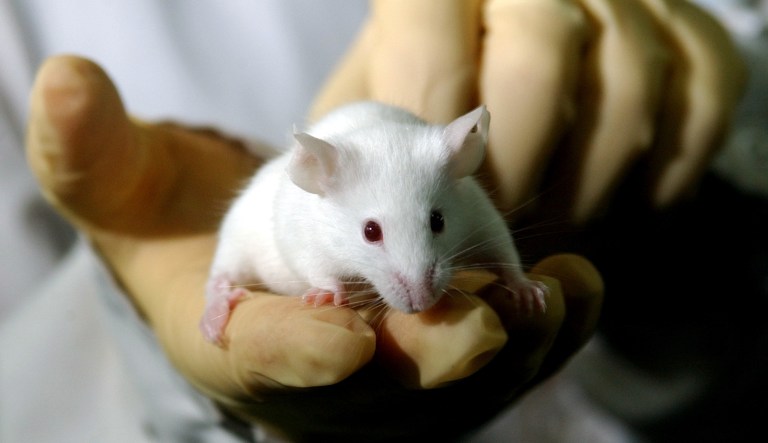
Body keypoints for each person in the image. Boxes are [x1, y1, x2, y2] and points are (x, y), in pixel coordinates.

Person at [0, 0, 760, 441]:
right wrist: (153, 338)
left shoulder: (445, 172)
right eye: (373, 236)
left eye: (431, 226)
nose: (418, 279)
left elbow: (483, 224)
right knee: (244, 238)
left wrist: (517, 273)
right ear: (319, 178)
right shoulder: (303, 192)